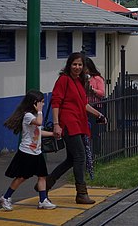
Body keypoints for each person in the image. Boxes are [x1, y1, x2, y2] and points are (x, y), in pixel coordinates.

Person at [46, 52, 107, 205]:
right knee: (80, 156)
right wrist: (56, 124)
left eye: (80, 65)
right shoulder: (64, 80)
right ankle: (81, 193)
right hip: (69, 123)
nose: (77, 67)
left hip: (79, 122)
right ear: (69, 65)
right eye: (74, 64)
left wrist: (99, 114)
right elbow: (56, 102)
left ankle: (46, 184)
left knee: (72, 159)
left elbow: (83, 104)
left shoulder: (79, 82)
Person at [0, 90, 57, 211]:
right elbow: (39, 122)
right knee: (22, 177)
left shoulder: (35, 115)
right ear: (34, 103)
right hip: (27, 152)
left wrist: (53, 134)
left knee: (42, 176)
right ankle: (6, 197)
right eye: (41, 102)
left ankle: (43, 200)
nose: (43, 104)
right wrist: (40, 111)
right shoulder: (28, 116)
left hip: (37, 151)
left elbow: (39, 131)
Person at [84, 57, 106, 155]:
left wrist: (92, 90)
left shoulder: (97, 78)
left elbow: (102, 93)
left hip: (97, 107)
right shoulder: (82, 78)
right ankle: (87, 152)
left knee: (95, 131)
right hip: (86, 106)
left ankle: (97, 152)